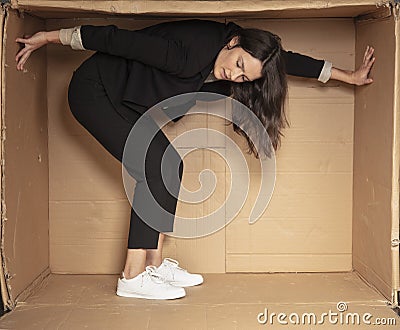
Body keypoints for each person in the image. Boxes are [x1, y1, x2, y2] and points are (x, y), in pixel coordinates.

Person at [15, 19, 375, 300]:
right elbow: (116, 39)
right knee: (156, 166)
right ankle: (132, 277)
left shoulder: (242, 56)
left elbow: (287, 63)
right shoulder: (187, 51)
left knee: (170, 166)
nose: (234, 76)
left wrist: (347, 76)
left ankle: (153, 267)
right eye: (237, 65)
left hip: (118, 99)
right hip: (93, 91)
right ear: (234, 42)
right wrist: (49, 37)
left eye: (244, 76)